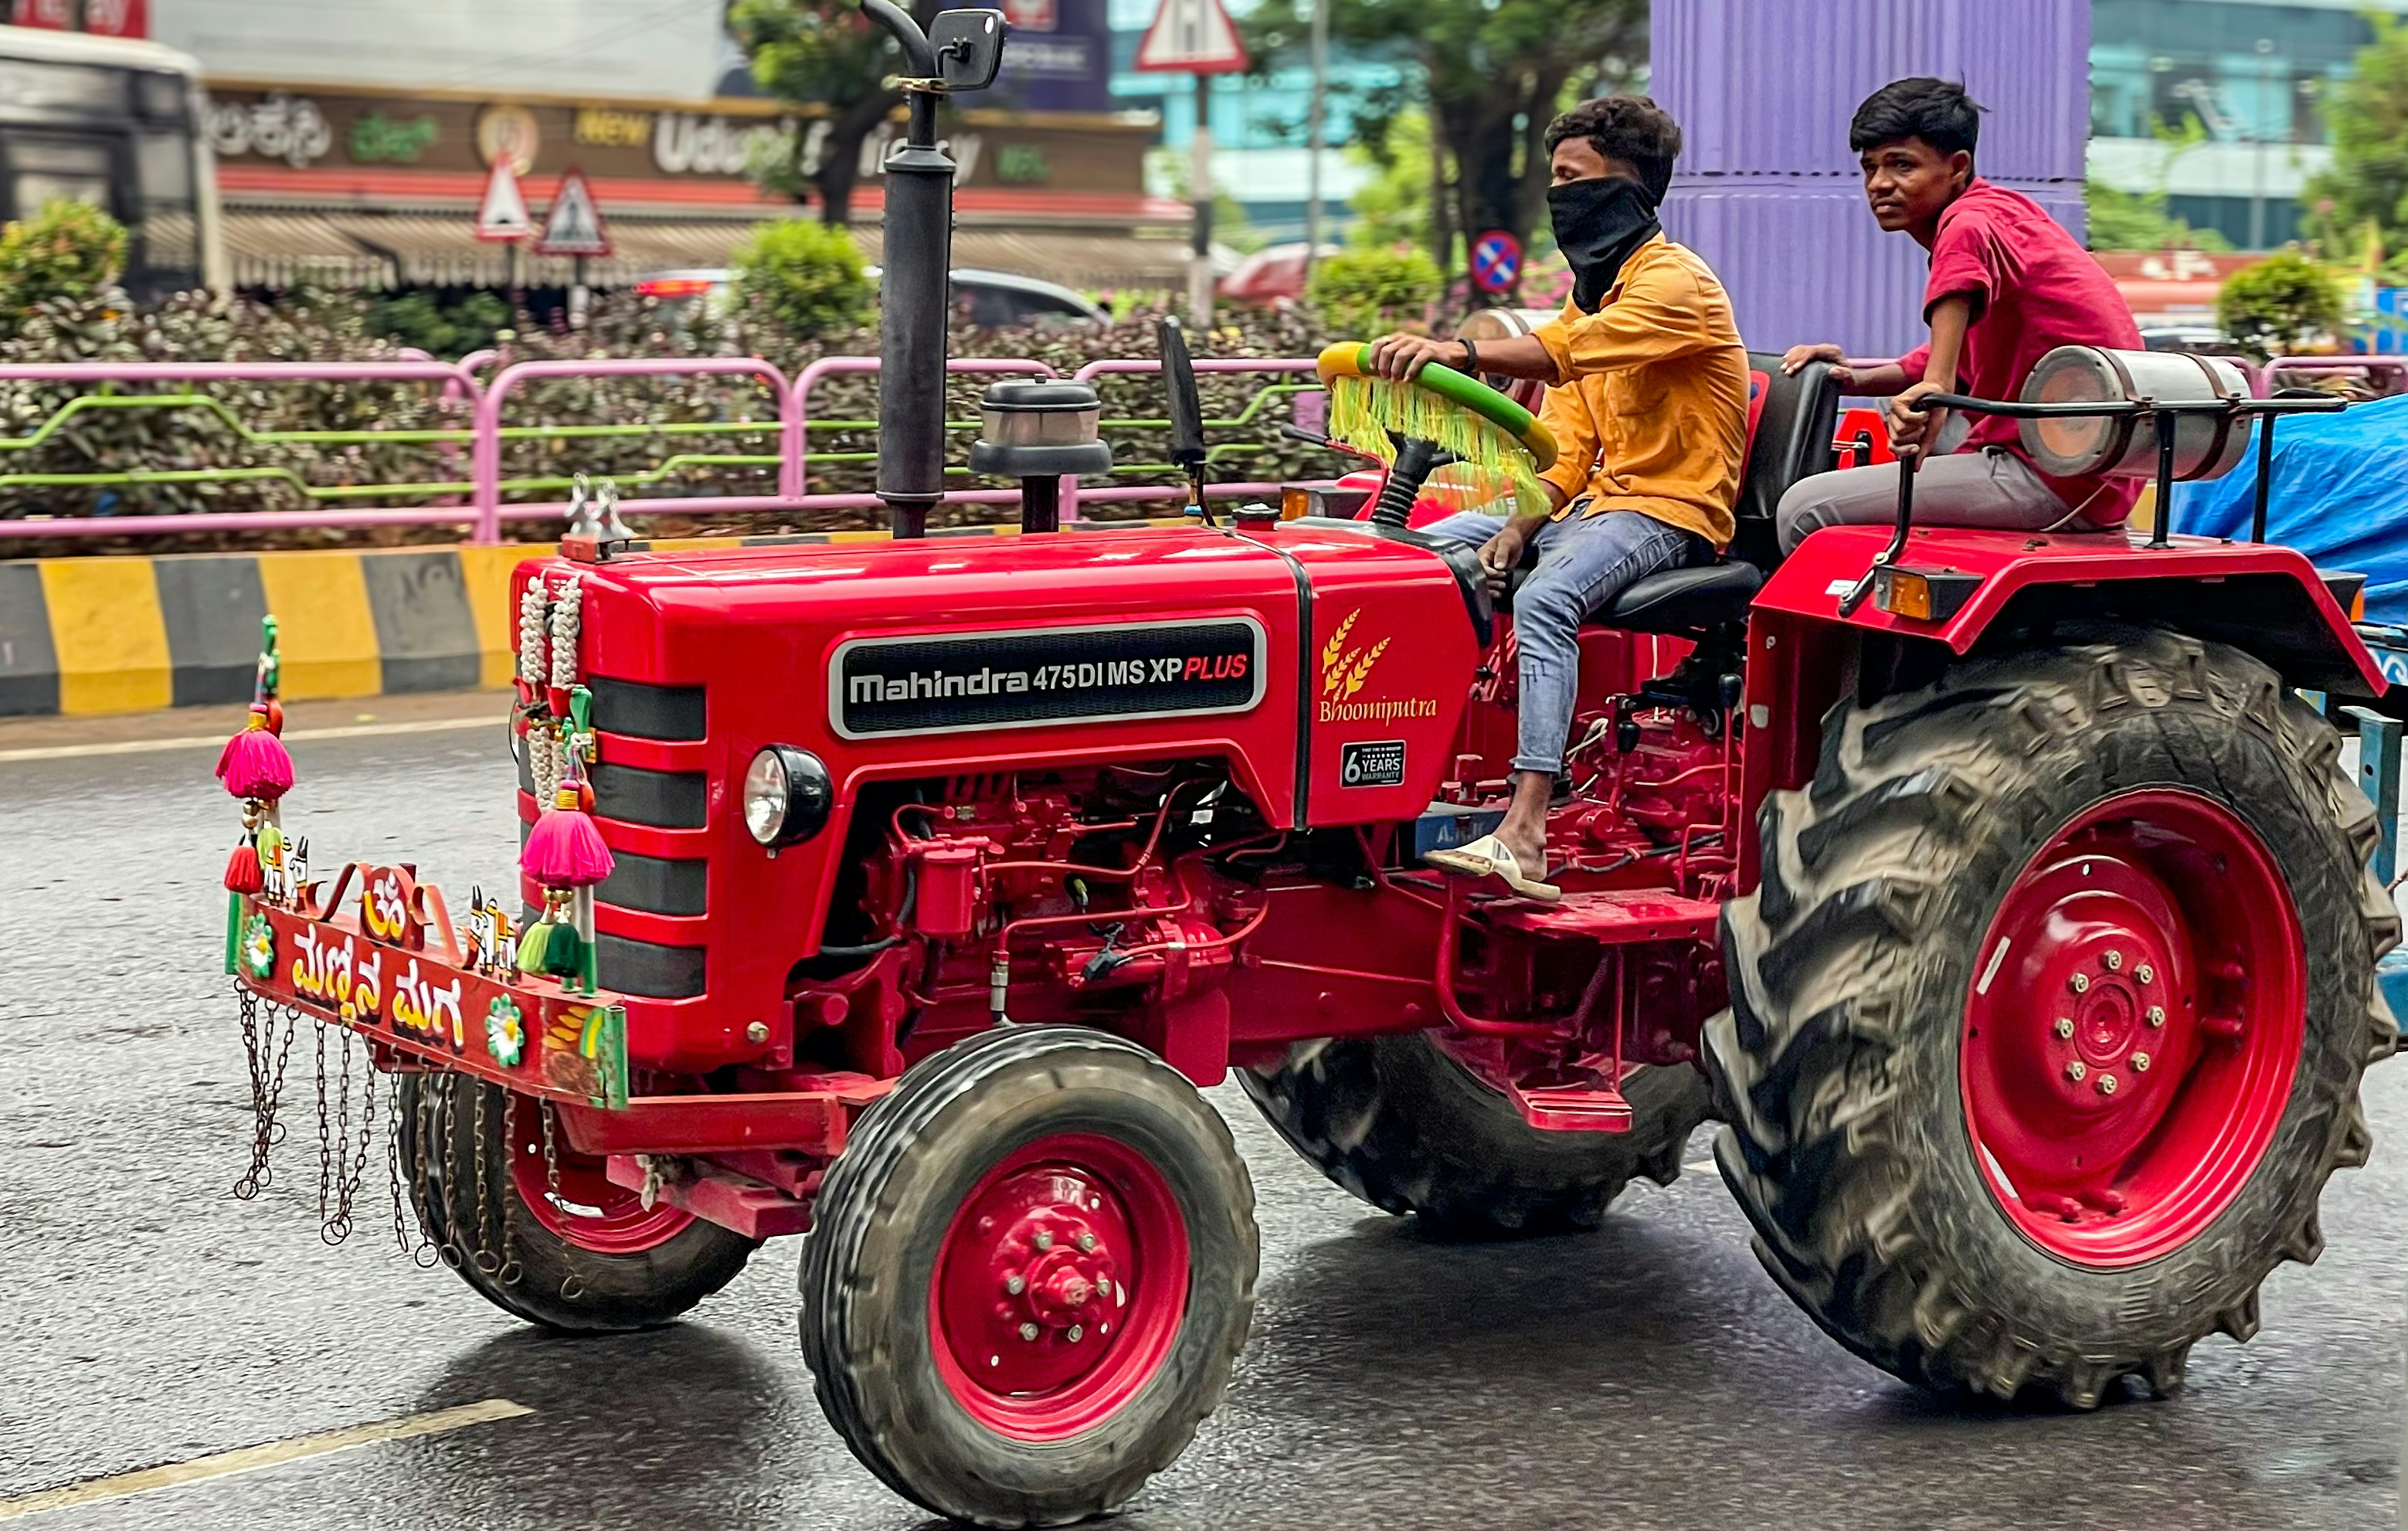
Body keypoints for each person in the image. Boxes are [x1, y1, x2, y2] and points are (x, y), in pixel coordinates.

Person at [1360, 95, 1749, 901]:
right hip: (1595, 505)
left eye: (1573, 179)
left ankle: (1527, 828)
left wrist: (1459, 349)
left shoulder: (1676, 285)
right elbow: (1565, 443)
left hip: (1669, 511)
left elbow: (1571, 355)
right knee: (1411, 552)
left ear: (1629, 187)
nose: (1559, 196)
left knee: (1544, 597)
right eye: (1554, 179)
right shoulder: (1590, 292)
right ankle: (1396, 778)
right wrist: (1519, 520)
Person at [1775, 77, 2144, 553]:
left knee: (1802, 509)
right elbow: (1953, 356)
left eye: (1902, 165)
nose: (1879, 184)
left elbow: (1943, 361)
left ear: (1958, 167)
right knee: (1893, 404)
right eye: (1870, 167)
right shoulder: (2004, 213)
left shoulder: (1966, 224)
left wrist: (1936, 388)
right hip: (2072, 458)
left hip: (2059, 477)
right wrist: (1849, 378)